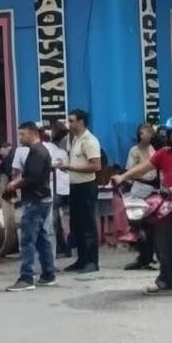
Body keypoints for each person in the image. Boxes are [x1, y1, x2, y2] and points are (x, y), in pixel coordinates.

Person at [114, 115, 172, 298]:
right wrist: (123, 177)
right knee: (164, 241)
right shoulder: (164, 153)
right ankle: (166, 282)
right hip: (170, 201)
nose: (168, 137)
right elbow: (143, 167)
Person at [5, 122, 58, 291]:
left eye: (22, 134)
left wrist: (14, 185)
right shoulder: (41, 150)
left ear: (32, 134)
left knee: (28, 239)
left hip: (35, 200)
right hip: (43, 198)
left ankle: (26, 277)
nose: (20, 138)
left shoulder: (37, 152)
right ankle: (48, 273)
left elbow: (32, 178)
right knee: (43, 238)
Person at [60, 108, 103, 274]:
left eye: (71, 120)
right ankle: (82, 259)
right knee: (76, 224)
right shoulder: (75, 139)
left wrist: (70, 167)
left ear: (81, 122)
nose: (68, 124)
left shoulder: (89, 141)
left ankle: (92, 261)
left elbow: (96, 165)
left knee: (88, 225)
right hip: (75, 186)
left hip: (86, 186)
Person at [123, 123, 159, 271]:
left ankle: (149, 255)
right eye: (143, 133)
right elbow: (130, 171)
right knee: (138, 224)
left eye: (148, 132)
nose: (146, 135)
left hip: (152, 188)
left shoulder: (153, 150)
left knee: (151, 225)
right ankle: (143, 255)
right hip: (139, 188)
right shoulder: (134, 151)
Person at [42, 122, 72, 258]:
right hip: (63, 188)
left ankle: (61, 246)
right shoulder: (62, 152)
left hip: (55, 188)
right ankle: (64, 246)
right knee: (59, 219)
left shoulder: (46, 148)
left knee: (54, 219)